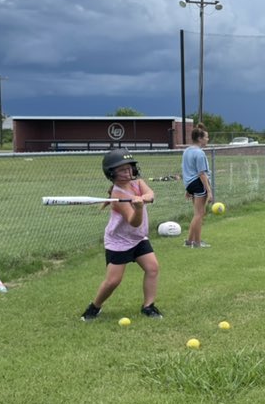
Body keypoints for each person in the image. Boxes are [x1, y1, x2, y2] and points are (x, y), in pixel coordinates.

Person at [81, 150, 162, 321]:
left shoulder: (138, 183)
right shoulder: (117, 195)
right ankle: (94, 307)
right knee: (113, 281)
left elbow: (150, 194)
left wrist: (142, 198)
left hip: (138, 238)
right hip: (119, 242)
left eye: (129, 168)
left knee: (152, 268)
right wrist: (138, 208)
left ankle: (148, 306)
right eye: (122, 170)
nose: (128, 173)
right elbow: (134, 221)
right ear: (111, 173)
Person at [181, 123, 213, 248]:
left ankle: (189, 241)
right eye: (206, 137)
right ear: (199, 139)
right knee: (199, 214)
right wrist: (209, 191)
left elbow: (186, 170)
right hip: (198, 184)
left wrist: (188, 189)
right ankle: (197, 243)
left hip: (190, 184)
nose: (207, 139)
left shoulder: (187, 151)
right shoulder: (199, 153)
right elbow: (202, 174)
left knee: (197, 213)